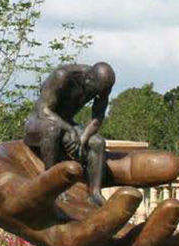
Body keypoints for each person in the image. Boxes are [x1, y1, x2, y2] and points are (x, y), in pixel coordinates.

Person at [23, 62, 115, 205]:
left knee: (98, 143)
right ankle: (52, 184)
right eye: (97, 90)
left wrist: (83, 138)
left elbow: (97, 118)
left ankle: (95, 193)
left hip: (65, 123)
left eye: (103, 90)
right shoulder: (63, 76)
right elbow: (44, 110)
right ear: (88, 79)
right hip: (40, 121)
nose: (99, 93)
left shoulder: (103, 85)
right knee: (53, 130)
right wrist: (70, 129)